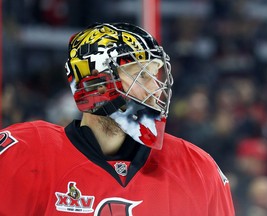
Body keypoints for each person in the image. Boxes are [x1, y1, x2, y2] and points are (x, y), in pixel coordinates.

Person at [0, 22, 235, 215]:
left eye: (155, 75)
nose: (155, 88)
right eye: (140, 75)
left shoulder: (197, 169)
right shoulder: (26, 156)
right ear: (95, 83)